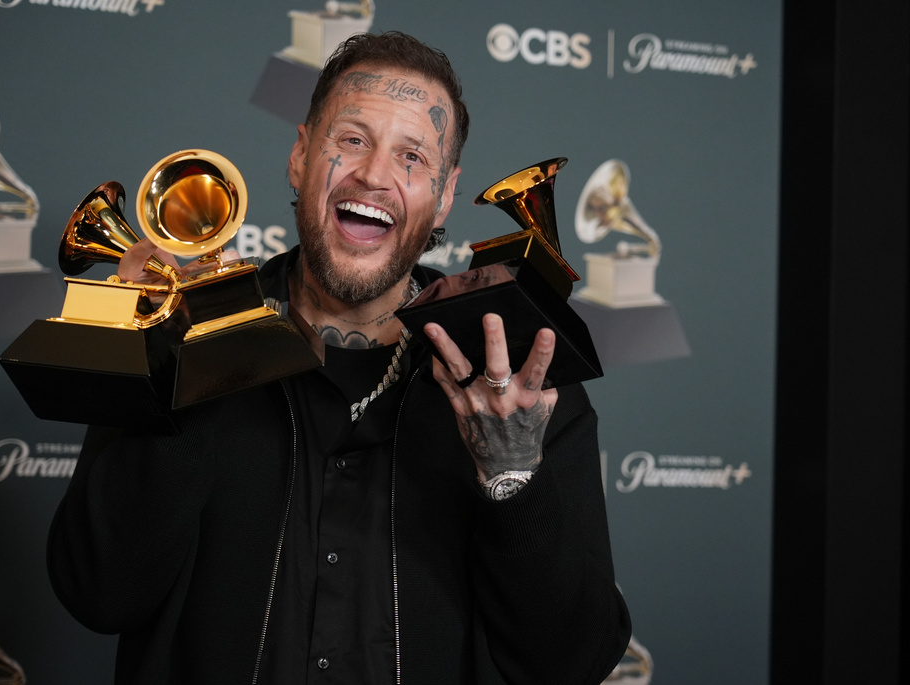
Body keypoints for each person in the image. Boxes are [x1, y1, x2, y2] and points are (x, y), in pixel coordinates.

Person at [47, 30, 630, 684]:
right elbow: (96, 593)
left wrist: (513, 480)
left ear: (443, 195)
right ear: (300, 155)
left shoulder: (518, 376)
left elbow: (572, 659)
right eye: (351, 140)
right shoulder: (176, 340)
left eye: (412, 155)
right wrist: (187, 371)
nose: (374, 175)